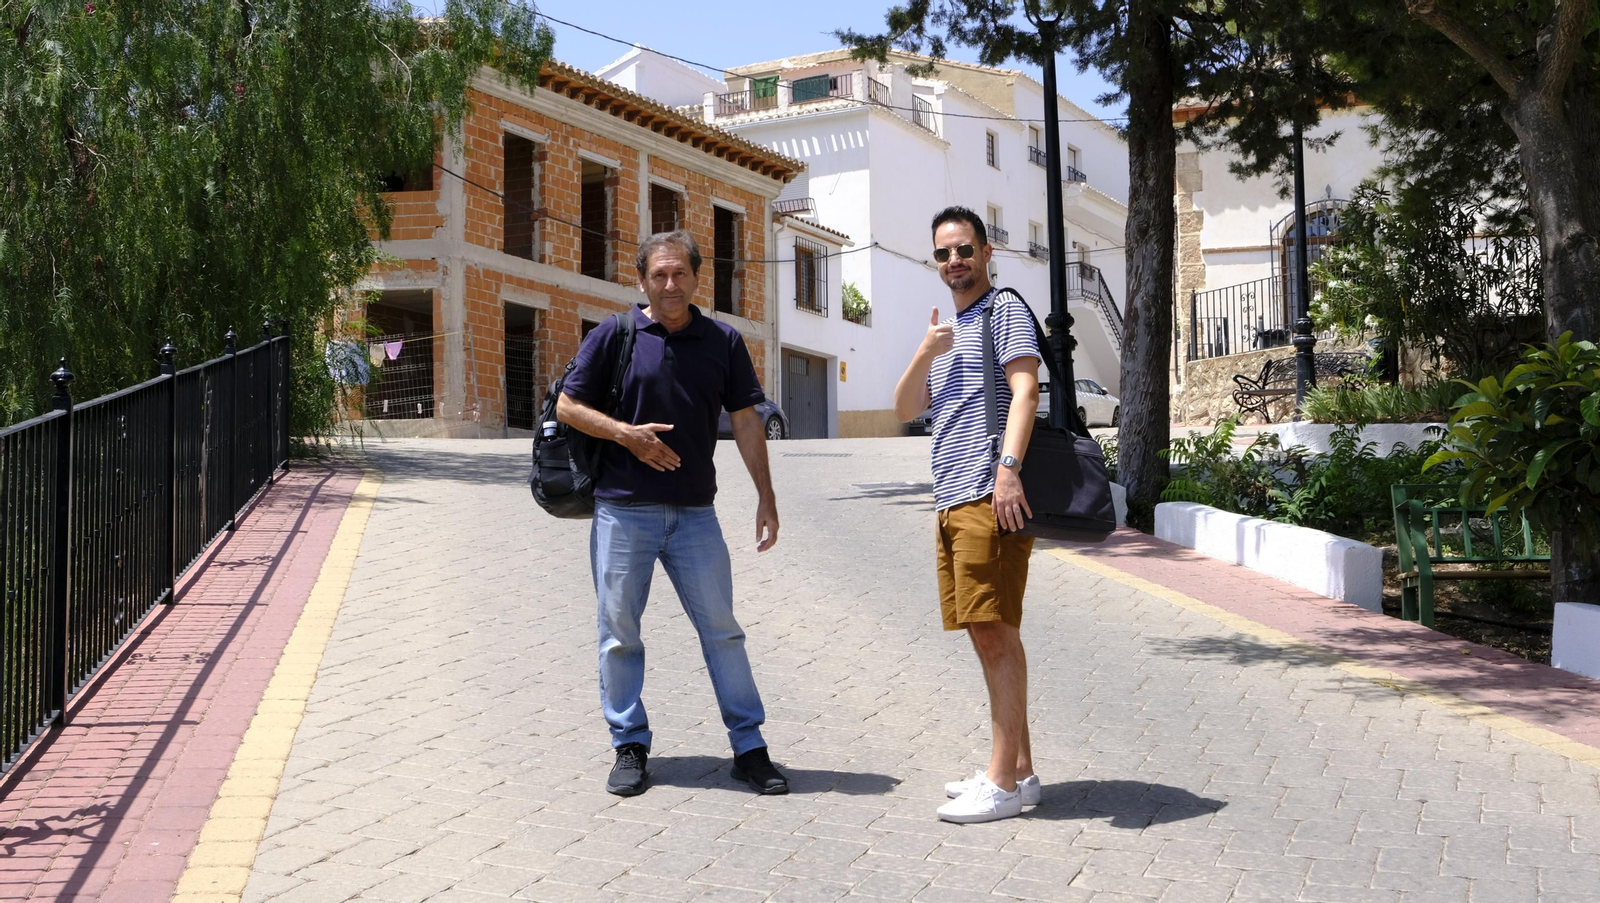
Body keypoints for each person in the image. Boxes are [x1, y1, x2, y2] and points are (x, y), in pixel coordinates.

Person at [557, 229, 788, 797]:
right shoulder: (616, 334)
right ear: (642, 280)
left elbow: (745, 419)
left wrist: (766, 495)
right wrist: (626, 436)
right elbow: (567, 404)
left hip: (695, 516)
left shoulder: (724, 341)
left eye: (679, 273)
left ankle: (749, 748)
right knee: (619, 635)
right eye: (658, 275)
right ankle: (628, 745)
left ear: (695, 277)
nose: (669, 284)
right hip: (621, 512)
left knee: (723, 633)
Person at [893, 206, 1043, 823]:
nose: (954, 260)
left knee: (994, 633)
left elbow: (1026, 389)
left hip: (987, 494)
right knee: (988, 635)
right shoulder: (949, 331)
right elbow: (904, 408)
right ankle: (1022, 773)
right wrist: (925, 352)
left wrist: (1006, 471)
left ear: (986, 252)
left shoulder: (1004, 309)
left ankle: (1001, 782)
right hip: (950, 499)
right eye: (943, 253)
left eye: (963, 249)